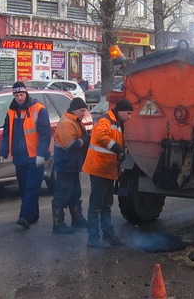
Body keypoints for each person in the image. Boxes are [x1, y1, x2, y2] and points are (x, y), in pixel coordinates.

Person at [0, 81, 52, 229]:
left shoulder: (38, 109)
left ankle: (25, 217)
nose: (19, 98)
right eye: (16, 95)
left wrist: (41, 154)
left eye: (21, 94)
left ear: (26, 93)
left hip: (35, 157)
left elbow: (45, 134)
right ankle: (33, 215)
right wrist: (2, 152)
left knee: (31, 188)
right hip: (19, 157)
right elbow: (6, 133)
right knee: (23, 188)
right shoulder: (11, 111)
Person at [82, 98, 133, 249]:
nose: (130, 117)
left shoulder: (117, 124)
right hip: (99, 169)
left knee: (106, 205)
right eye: (128, 113)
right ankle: (93, 238)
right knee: (96, 205)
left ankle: (108, 235)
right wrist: (117, 148)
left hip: (108, 170)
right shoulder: (105, 120)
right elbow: (101, 137)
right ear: (121, 111)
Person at [50, 97, 91, 234]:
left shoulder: (75, 121)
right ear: (74, 110)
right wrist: (86, 139)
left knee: (74, 192)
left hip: (72, 165)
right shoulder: (67, 123)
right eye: (82, 110)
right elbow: (71, 145)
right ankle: (58, 224)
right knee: (62, 193)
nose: (84, 113)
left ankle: (77, 219)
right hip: (65, 165)